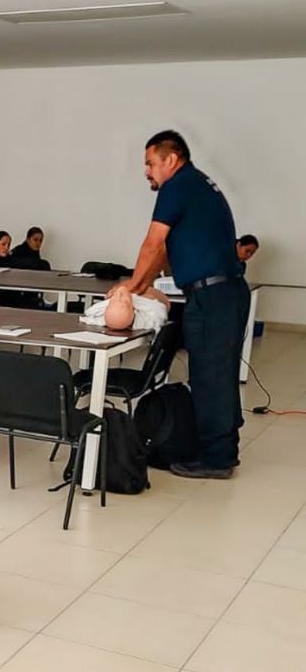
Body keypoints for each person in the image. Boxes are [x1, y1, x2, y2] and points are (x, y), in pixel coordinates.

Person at [108, 130, 247, 479]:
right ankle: (219, 449)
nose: (147, 171)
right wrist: (141, 286)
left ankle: (216, 460)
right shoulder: (196, 184)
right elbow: (167, 250)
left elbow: (154, 243)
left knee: (211, 377)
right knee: (216, 374)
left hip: (214, 296)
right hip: (220, 293)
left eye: (150, 163)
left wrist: (131, 287)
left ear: (171, 160)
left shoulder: (178, 185)